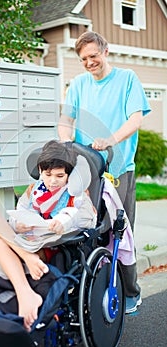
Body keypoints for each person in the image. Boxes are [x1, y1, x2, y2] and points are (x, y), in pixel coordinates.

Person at [58, 31, 151, 314]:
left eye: (93, 56)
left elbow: (136, 117)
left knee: (120, 234)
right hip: (85, 170)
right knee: (87, 231)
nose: (89, 62)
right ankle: (92, 288)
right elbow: (66, 118)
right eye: (84, 58)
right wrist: (64, 147)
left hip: (118, 169)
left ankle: (130, 293)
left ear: (106, 51)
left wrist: (110, 139)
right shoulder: (78, 84)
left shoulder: (126, 79)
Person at [0, 140, 97, 332]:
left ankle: (25, 291)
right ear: (40, 171)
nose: (52, 181)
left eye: (60, 175)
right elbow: (20, 212)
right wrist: (20, 224)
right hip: (24, 241)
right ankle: (28, 259)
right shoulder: (35, 189)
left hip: (47, 246)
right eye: (47, 174)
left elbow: (82, 219)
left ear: (69, 174)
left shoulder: (75, 194)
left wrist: (61, 223)